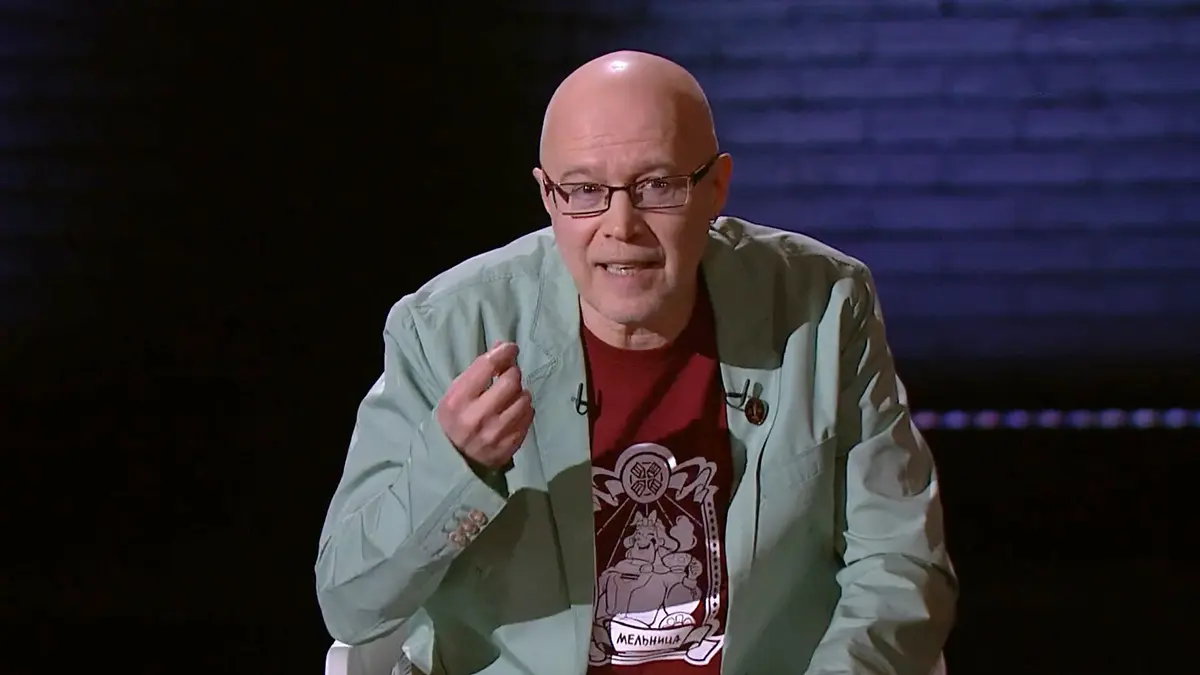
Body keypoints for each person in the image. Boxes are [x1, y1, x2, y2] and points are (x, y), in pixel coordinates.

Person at [314, 50, 957, 675]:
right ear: (547, 196)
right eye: (585, 190)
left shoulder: (822, 306)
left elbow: (899, 565)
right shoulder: (447, 331)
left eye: (657, 186)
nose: (621, 225)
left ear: (715, 187)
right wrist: (455, 467)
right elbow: (350, 605)